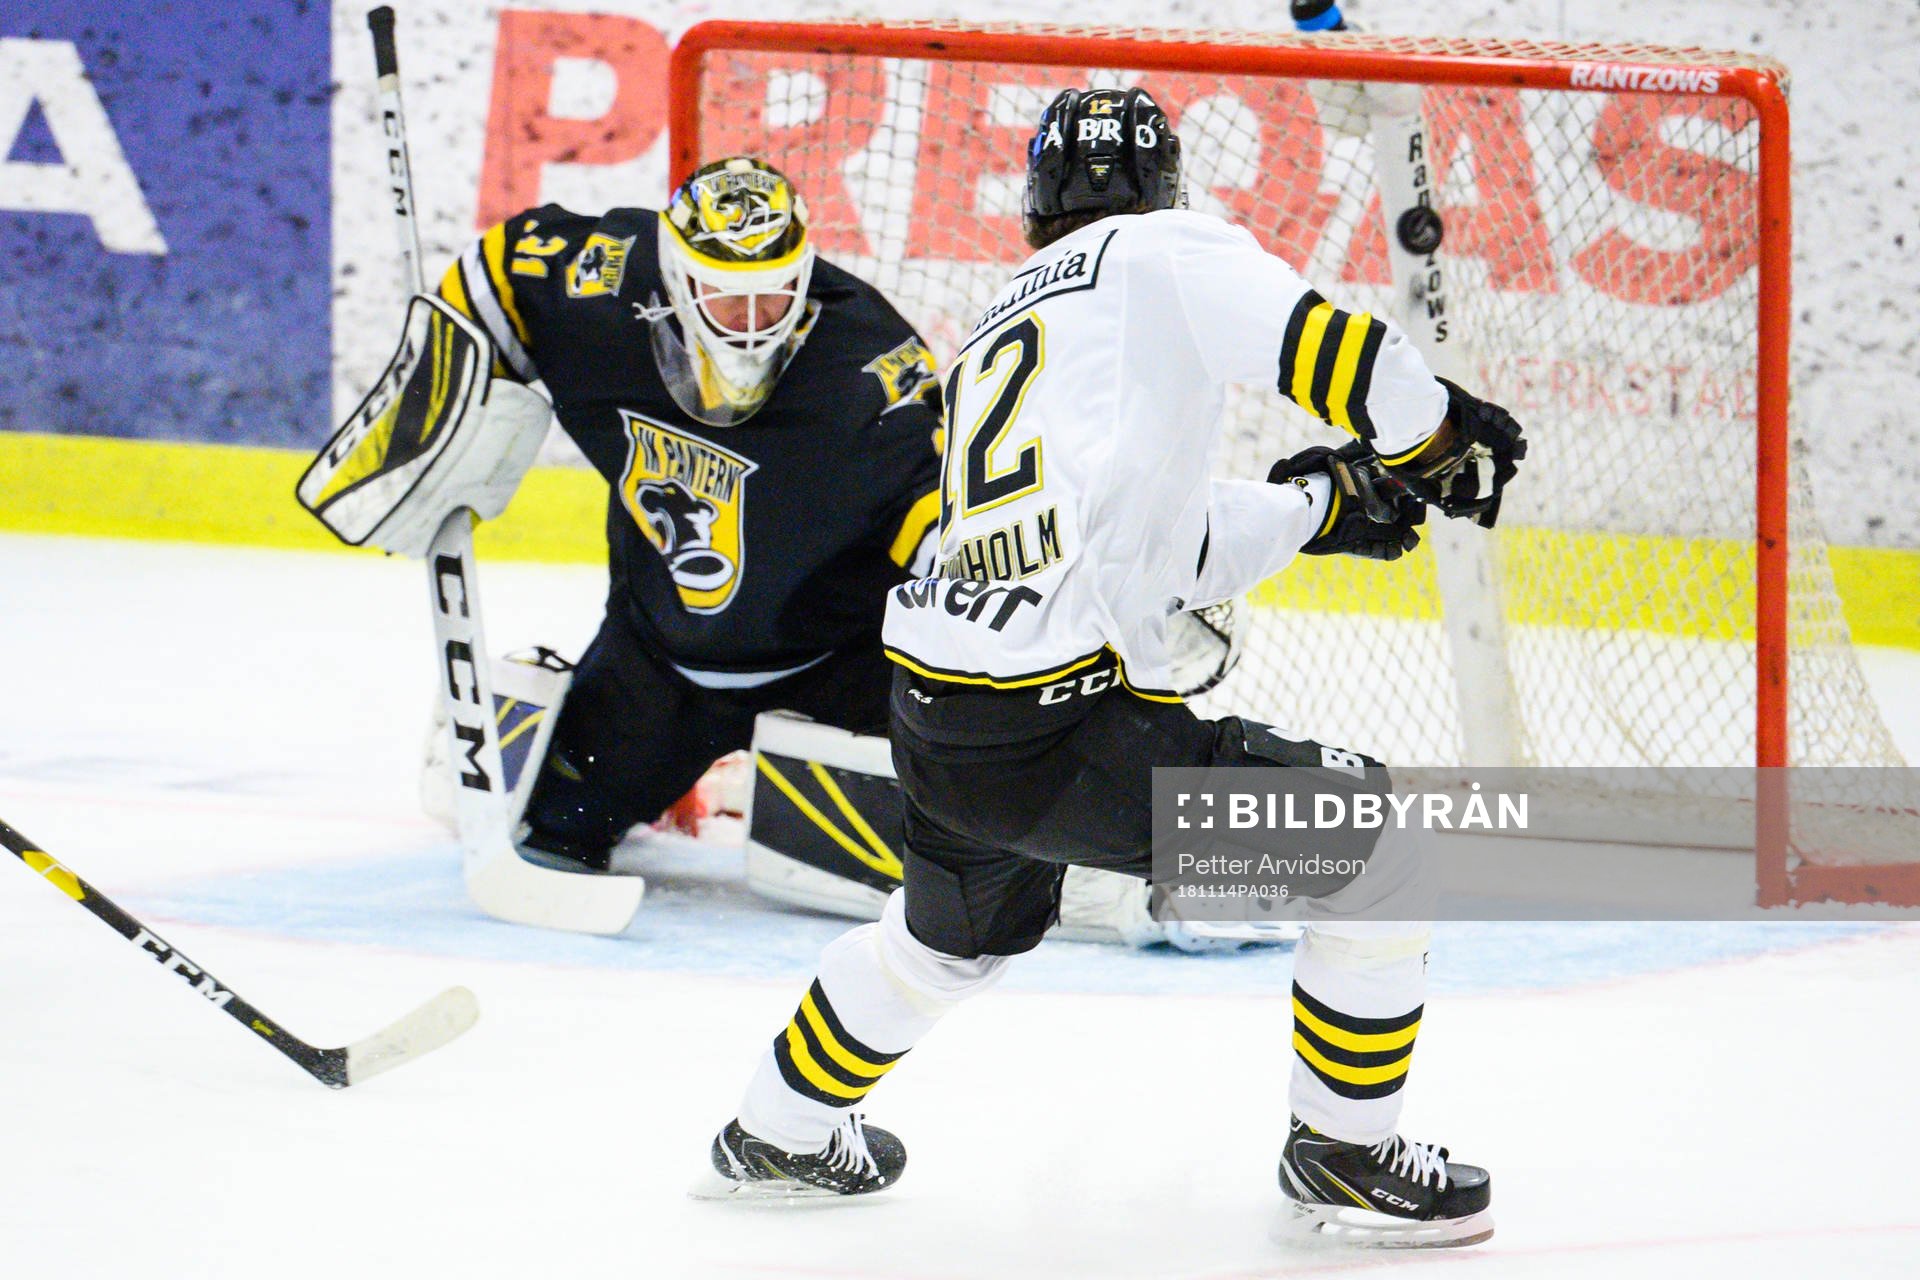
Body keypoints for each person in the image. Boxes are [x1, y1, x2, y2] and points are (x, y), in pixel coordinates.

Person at [695, 88, 1526, 1250]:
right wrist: (1435, 436)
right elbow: (1330, 350)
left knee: (944, 940)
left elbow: (1140, 543)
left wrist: (1316, 501)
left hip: (938, 712)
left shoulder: (1002, 319)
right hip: (1058, 729)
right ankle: (1340, 1150)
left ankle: (777, 1128)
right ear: (1168, 186)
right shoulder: (1165, 248)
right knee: (1376, 849)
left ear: (1038, 202)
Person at [429, 156, 946, 871]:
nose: (754, 322)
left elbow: (947, 547)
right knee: (549, 831)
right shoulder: (602, 287)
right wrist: (438, 400)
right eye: (727, 296)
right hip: (656, 669)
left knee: (942, 869)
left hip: (840, 671)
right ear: (674, 274)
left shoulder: (868, 364)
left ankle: (1164, 865)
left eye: (777, 293)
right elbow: (495, 273)